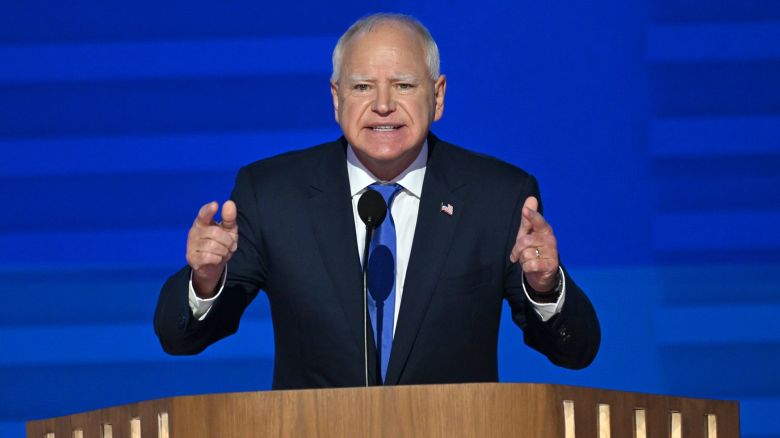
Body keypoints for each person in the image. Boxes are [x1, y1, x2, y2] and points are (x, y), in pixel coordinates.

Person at [154, 13, 600, 389]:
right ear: (336, 98)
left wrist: (545, 288)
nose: (383, 105)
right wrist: (207, 282)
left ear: (438, 96)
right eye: (363, 86)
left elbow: (575, 350)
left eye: (404, 85)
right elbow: (182, 338)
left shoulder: (497, 196)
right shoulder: (272, 194)